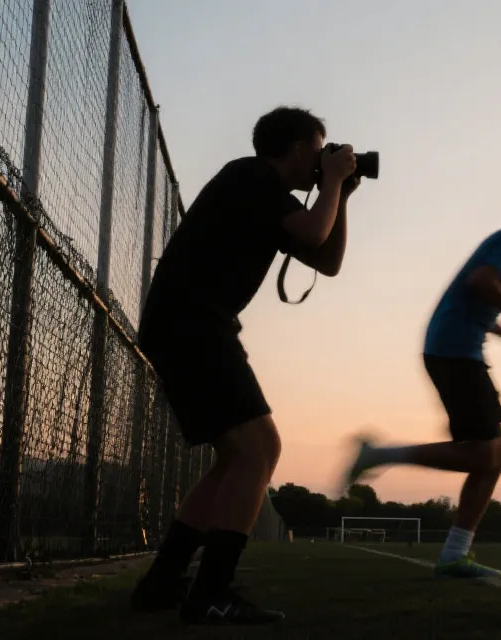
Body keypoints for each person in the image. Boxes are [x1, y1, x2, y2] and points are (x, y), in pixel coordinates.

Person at [129, 106, 363, 625]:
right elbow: (313, 234)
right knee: (261, 449)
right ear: (301, 148)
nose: (324, 160)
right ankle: (211, 594)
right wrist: (333, 183)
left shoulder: (266, 196)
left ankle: (163, 583)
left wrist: (338, 195)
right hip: (192, 323)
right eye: (320, 151)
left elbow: (326, 259)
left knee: (237, 458)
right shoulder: (252, 175)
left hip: (188, 323)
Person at [341, 175, 501, 578]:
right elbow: (479, 282)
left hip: (457, 349)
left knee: (494, 457)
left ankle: (454, 554)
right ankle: (378, 455)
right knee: (485, 454)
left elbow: (479, 302)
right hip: (453, 351)